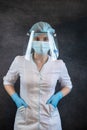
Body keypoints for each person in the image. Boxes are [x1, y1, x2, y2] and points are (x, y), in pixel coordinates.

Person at [3, 21, 72, 130]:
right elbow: (7, 82)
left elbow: (68, 85)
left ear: (51, 41)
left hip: (50, 121)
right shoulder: (19, 61)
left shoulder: (59, 64)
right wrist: (16, 98)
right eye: (37, 39)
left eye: (45, 39)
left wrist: (58, 96)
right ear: (31, 41)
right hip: (25, 121)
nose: (41, 42)